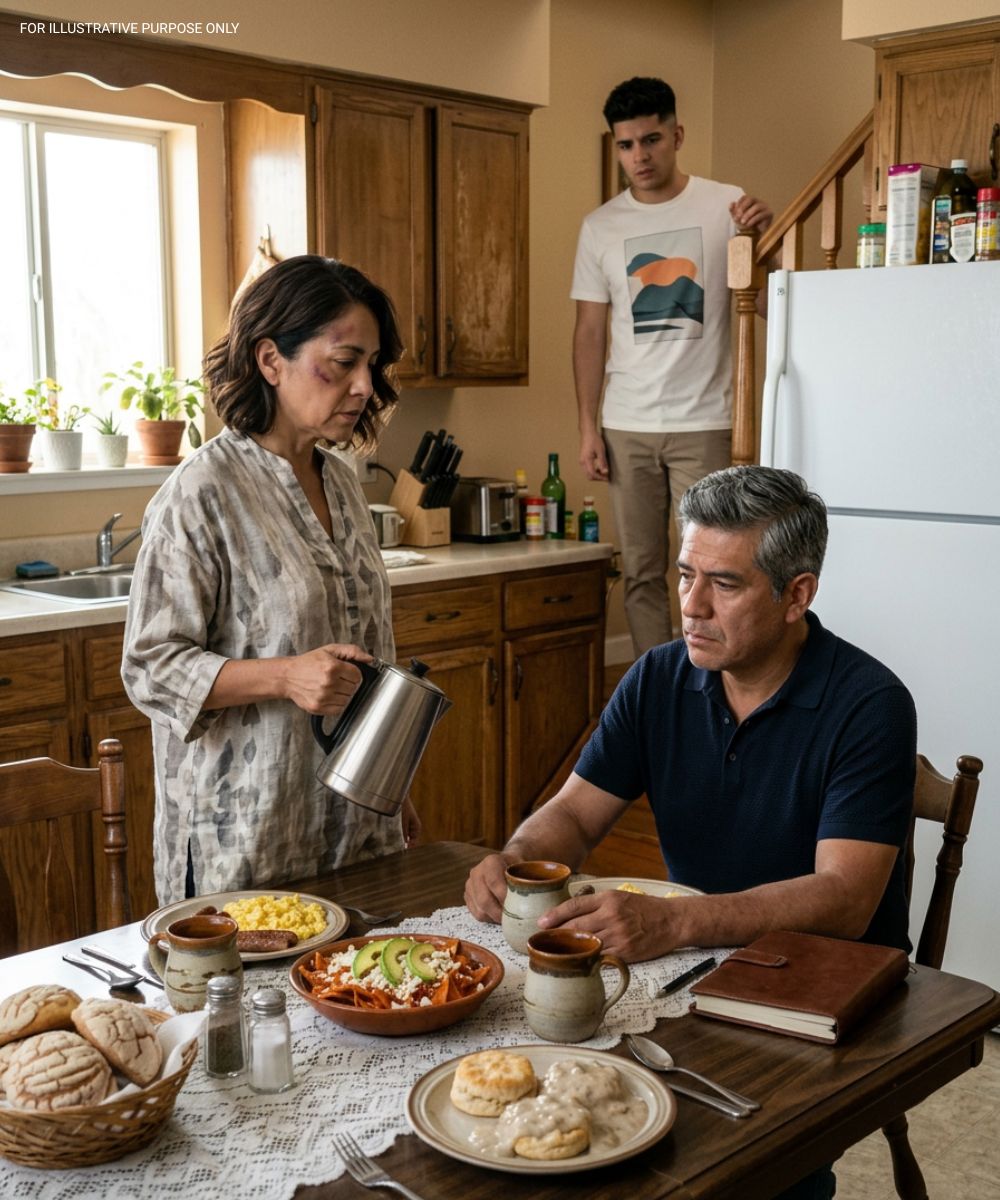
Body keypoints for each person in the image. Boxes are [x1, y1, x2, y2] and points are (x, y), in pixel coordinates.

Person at [465, 466, 916, 963]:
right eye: (685, 575)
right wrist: (517, 859)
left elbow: (845, 898)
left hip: (833, 980)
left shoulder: (873, 705)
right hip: (699, 961)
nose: (692, 605)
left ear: (797, 595)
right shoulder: (657, 676)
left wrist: (676, 921)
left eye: (723, 584)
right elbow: (574, 813)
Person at [122, 255, 420, 904]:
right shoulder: (201, 493)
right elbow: (149, 666)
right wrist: (286, 675)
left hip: (355, 825)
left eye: (372, 364)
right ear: (270, 360)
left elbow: (369, 654)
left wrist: (392, 787)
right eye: (344, 362)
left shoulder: (343, 484)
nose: (365, 385)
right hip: (246, 838)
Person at [572, 76, 774, 657]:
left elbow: (764, 301)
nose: (639, 155)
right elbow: (588, 334)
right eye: (626, 145)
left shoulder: (724, 204)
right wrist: (590, 428)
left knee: (716, 567)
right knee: (640, 569)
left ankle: (709, 681)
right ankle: (657, 690)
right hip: (627, 422)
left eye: (652, 140)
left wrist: (767, 238)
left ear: (677, 135)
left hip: (705, 422)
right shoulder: (600, 227)